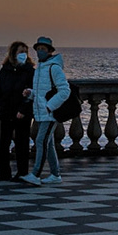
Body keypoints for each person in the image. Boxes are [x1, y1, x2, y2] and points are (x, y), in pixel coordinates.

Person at [23, 36, 69, 185]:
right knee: (47, 143)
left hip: (50, 113)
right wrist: (31, 94)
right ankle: (55, 174)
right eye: (38, 49)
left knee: (40, 140)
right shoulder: (39, 69)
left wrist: (50, 106)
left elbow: (64, 90)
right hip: (42, 112)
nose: (40, 52)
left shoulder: (54, 68)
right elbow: (41, 92)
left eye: (43, 49)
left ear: (49, 51)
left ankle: (36, 174)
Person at [0, 41, 34, 182]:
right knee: (4, 144)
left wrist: (23, 109)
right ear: (13, 53)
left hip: (22, 113)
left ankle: (22, 172)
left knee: (22, 144)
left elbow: (32, 92)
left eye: (25, 52)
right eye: (21, 52)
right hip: (6, 110)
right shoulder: (5, 70)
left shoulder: (30, 71)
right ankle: (4, 172)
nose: (23, 55)